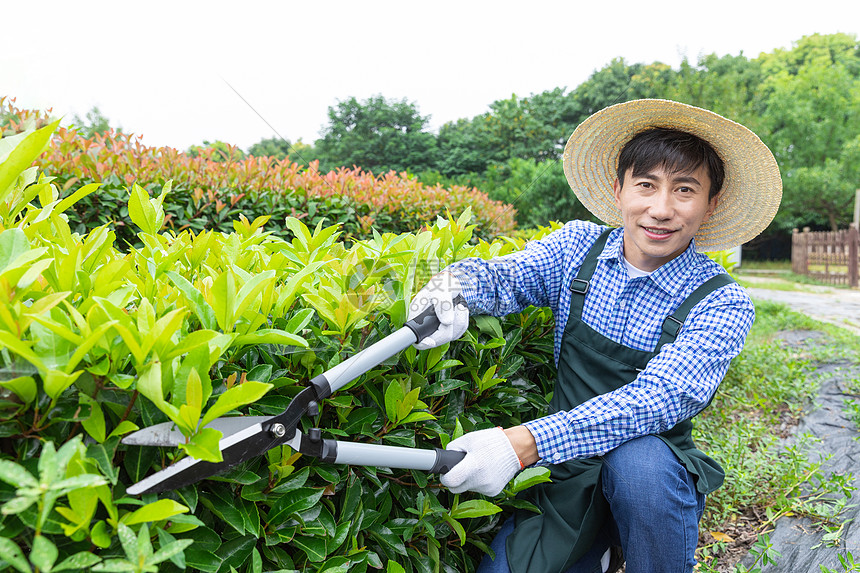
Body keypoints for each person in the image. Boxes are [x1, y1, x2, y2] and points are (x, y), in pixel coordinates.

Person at [407, 99, 782, 573]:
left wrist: (521, 443)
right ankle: (599, 551)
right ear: (619, 189)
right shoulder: (577, 249)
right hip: (564, 470)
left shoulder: (721, 301)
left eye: (685, 190)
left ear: (710, 206)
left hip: (646, 481)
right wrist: (453, 288)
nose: (661, 209)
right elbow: (507, 277)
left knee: (640, 465)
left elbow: (657, 399)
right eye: (646, 185)